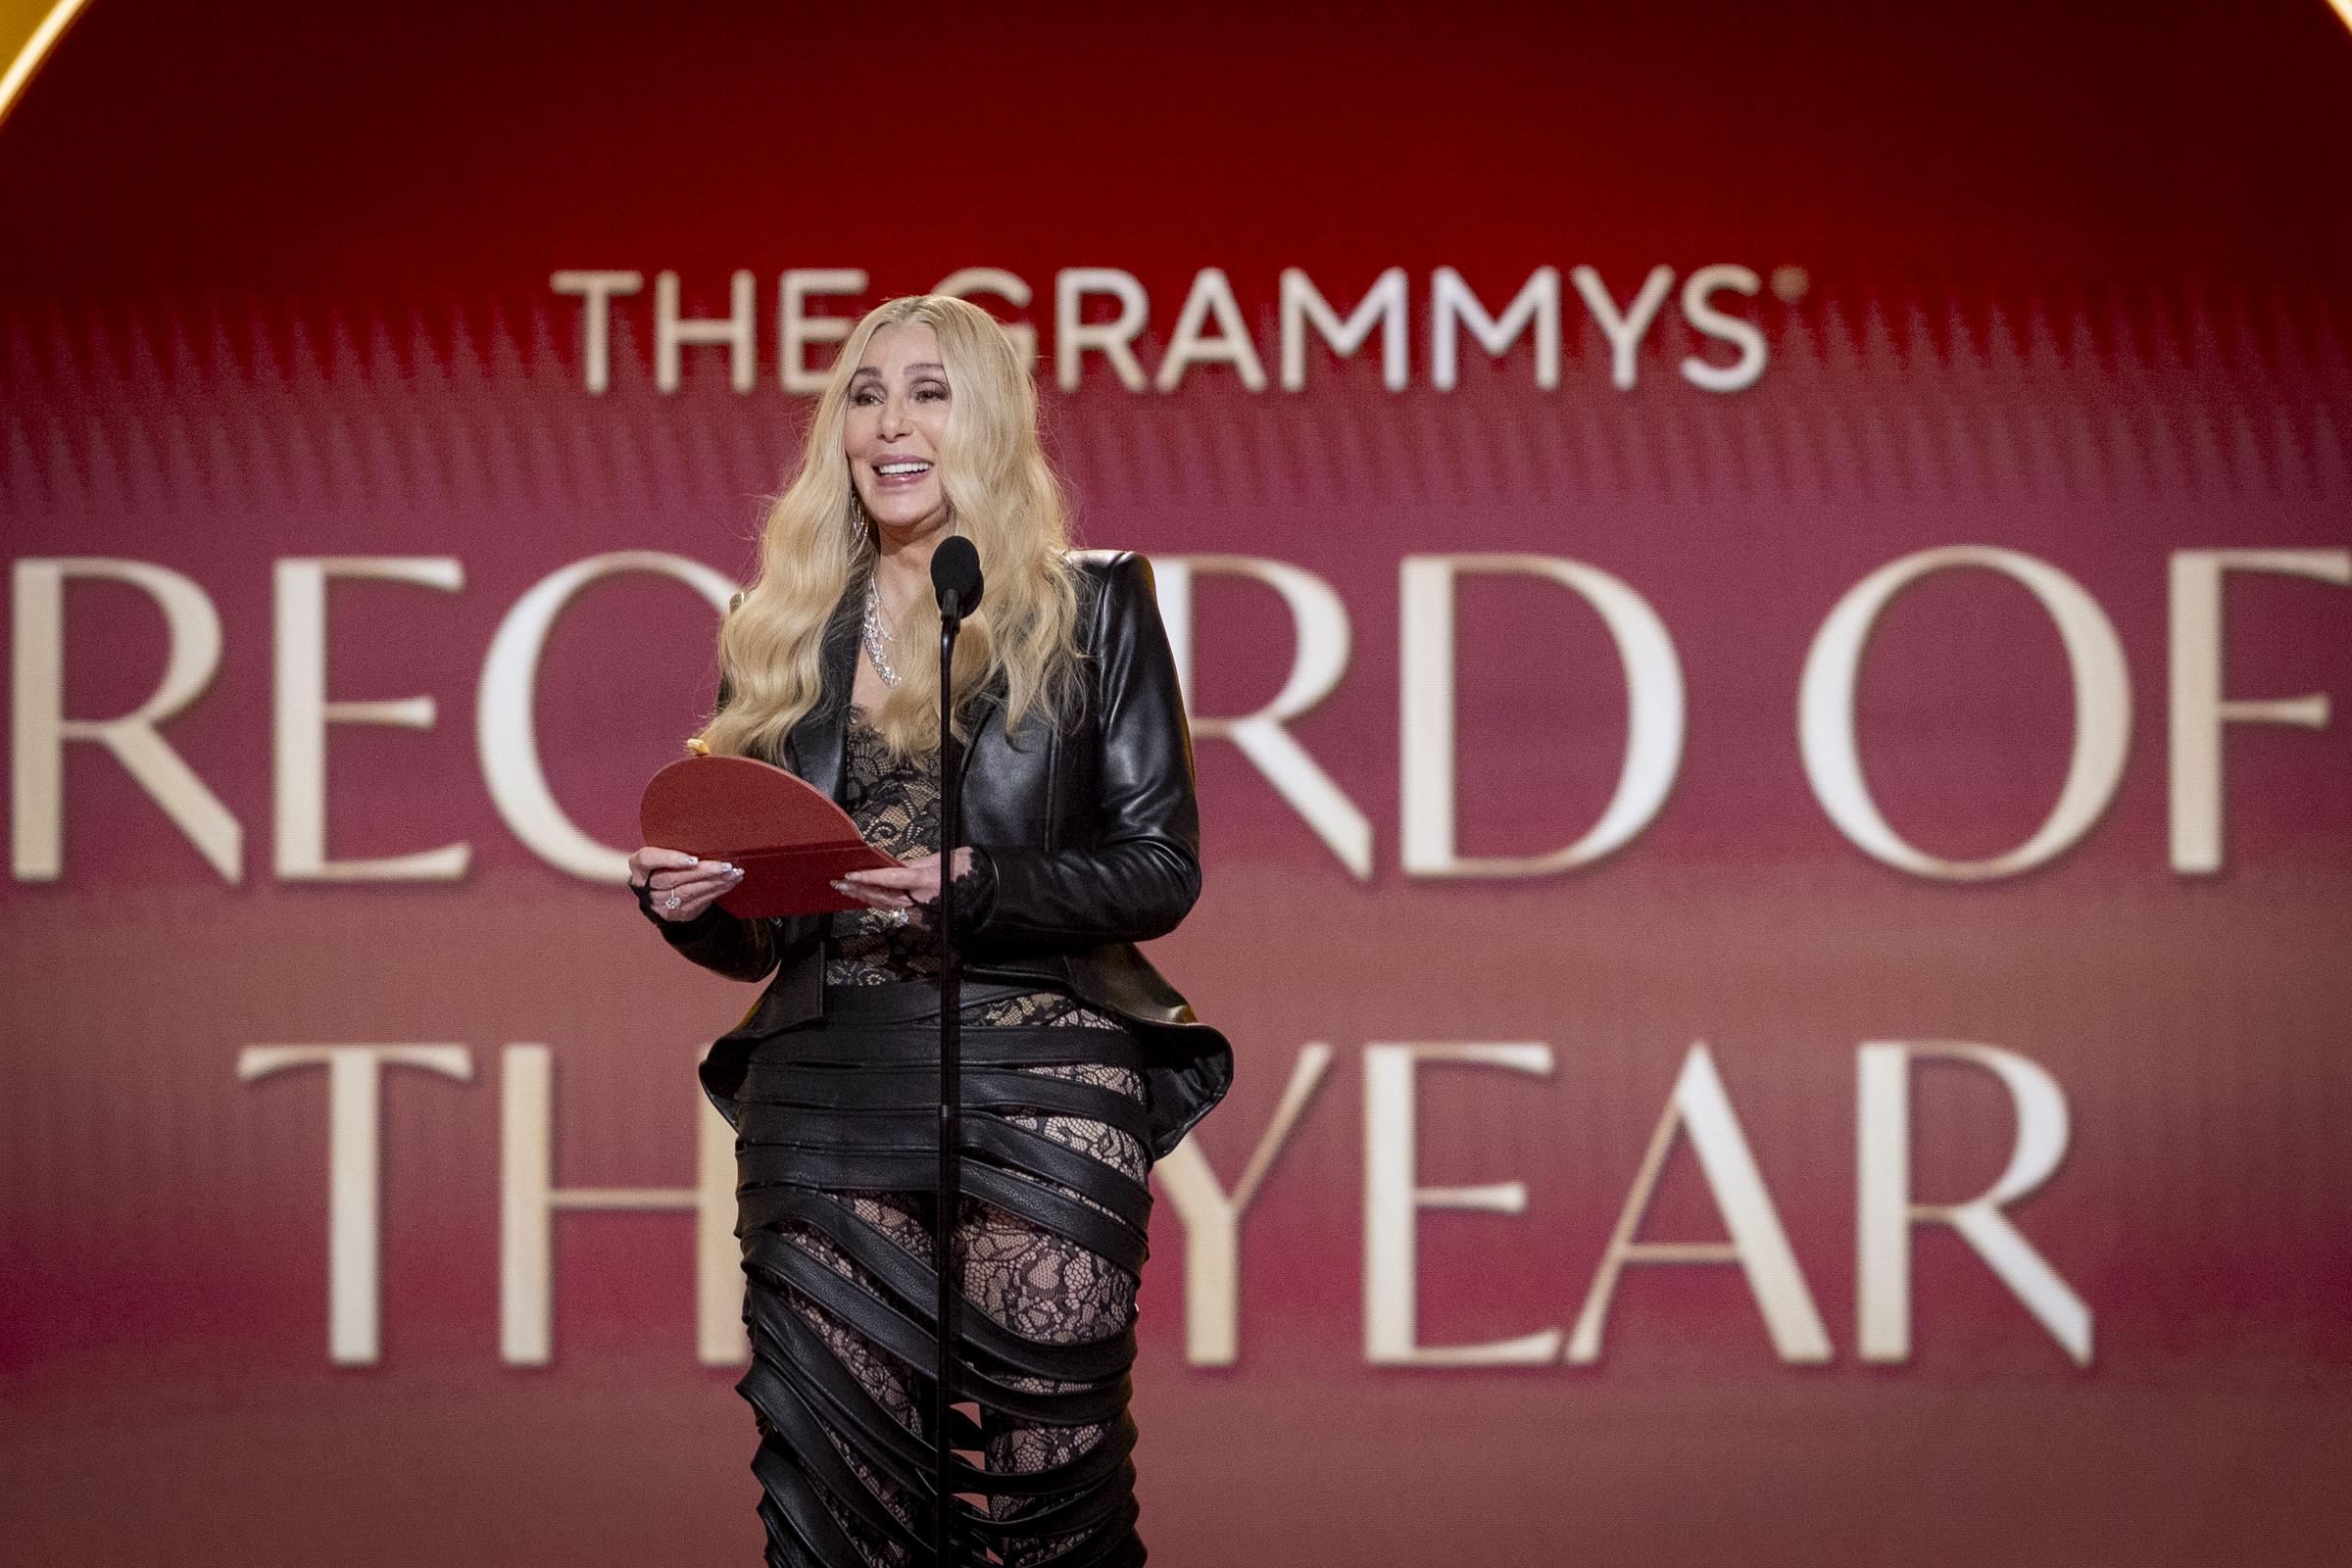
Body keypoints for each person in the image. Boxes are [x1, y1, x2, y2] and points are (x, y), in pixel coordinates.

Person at [627, 293, 1230, 1568]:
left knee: (1047, 1521)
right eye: (864, 393)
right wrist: (692, 905)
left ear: (990, 422)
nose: (890, 423)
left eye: (929, 392)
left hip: (1038, 1076)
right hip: (830, 1088)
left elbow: (1159, 868)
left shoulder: (1097, 604)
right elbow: (762, 933)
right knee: (837, 1524)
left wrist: (983, 884)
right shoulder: (781, 629)